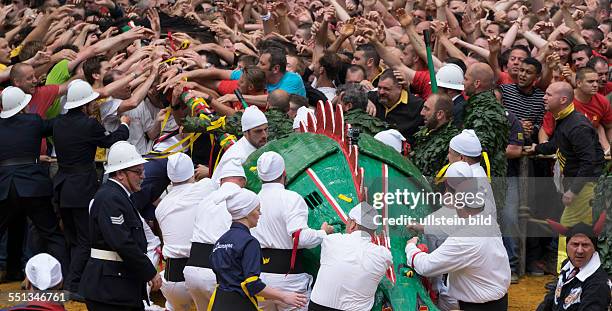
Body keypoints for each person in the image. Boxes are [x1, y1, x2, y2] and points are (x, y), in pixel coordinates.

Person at [52, 79, 129, 297]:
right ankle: (73, 284)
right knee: (86, 239)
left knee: (72, 238)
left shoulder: (58, 123)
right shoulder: (89, 124)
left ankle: (71, 279)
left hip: (62, 186)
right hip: (82, 187)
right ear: (85, 105)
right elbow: (111, 141)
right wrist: (124, 125)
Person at [406, 162, 510, 311]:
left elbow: (426, 266)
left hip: (478, 306)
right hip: (493, 299)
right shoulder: (484, 218)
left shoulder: (464, 239)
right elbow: (452, 224)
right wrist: (421, 227)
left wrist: (411, 247)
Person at [525, 82, 604, 272]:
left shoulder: (577, 125)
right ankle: (567, 274)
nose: (544, 97)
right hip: (579, 186)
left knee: (572, 232)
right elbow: (558, 143)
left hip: (584, 189)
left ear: (562, 100)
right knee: (570, 230)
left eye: (549, 94)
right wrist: (537, 148)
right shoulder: (565, 119)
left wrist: (573, 191)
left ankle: (567, 274)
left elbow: (589, 162)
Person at [80, 141, 162, 311]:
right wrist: (149, 271)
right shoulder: (111, 198)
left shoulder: (118, 196)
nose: (143, 176)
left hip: (116, 284)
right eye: (138, 172)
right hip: (110, 288)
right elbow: (122, 242)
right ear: (120, 174)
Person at [252, 151, 334, 311]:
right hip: (289, 280)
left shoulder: (253, 199)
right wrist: (323, 232)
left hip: (261, 279)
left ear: (260, 176)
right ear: (284, 173)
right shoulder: (290, 198)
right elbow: (300, 239)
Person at [0, 87, 67, 282]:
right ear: (23, 106)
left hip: (5, 186)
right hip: (32, 185)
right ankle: (66, 279)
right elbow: (55, 124)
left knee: (14, 227)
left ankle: (13, 271)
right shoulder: (33, 121)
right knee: (52, 234)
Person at [208, 188, 307, 310]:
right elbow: (252, 284)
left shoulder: (221, 241)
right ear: (247, 213)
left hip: (218, 303)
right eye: (257, 210)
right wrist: (284, 296)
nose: (260, 214)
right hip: (240, 305)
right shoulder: (249, 242)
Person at [155, 153, 217, 311]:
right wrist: (209, 171)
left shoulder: (161, 207)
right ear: (193, 172)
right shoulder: (206, 186)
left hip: (173, 279)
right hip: (202, 273)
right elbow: (226, 179)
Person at [185, 158, 246, 311]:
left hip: (192, 271)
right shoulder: (244, 198)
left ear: (220, 181)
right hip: (217, 272)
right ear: (243, 181)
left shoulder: (205, 200)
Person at [309, 202, 393, 311]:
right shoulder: (384, 255)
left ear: (353, 224)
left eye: (347, 221)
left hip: (317, 308)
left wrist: (323, 231)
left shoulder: (331, 240)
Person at [536, 216, 612, 311]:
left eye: (585, 245)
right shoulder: (567, 266)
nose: (579, 251)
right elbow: (550, 300)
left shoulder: (598, 284)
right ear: (567, 247)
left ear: (594, 249)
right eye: (575, 244)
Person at [211, 105, 268, 182]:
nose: (264, 135)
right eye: (258, 131)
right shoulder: (236, 159)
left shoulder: (260, 145)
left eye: (266, 129)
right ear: (245, 132)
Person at [412, 94, 460, 178]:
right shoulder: (425, 133)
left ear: (440, 114)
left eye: (426, 109)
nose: (421, 113)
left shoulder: (451, 143)